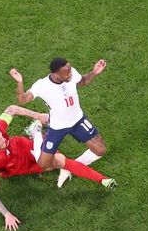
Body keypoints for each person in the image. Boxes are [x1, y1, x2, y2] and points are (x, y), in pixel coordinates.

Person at [0, 104, 116, 231]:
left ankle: (102, 180)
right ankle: (38, 134)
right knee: (55, 162)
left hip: (24, 146)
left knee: (60, 160)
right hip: (21, 167)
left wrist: (38, 115)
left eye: (1, 135)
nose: (3, 138)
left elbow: (12, 109)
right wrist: (7, 214)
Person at [9, 57, 107, 188]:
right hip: (57, 127)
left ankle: (69, 168)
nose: (70, 75)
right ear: (56, 74)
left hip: (78, 120)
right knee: (43, 164)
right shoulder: (42, 85)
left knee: (100, 150)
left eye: (70, 71)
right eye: (67, 73)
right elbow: (22, 100)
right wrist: (20, 82)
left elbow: (82, 81)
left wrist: (94, 72)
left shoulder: (71, 74)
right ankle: (36, 132)